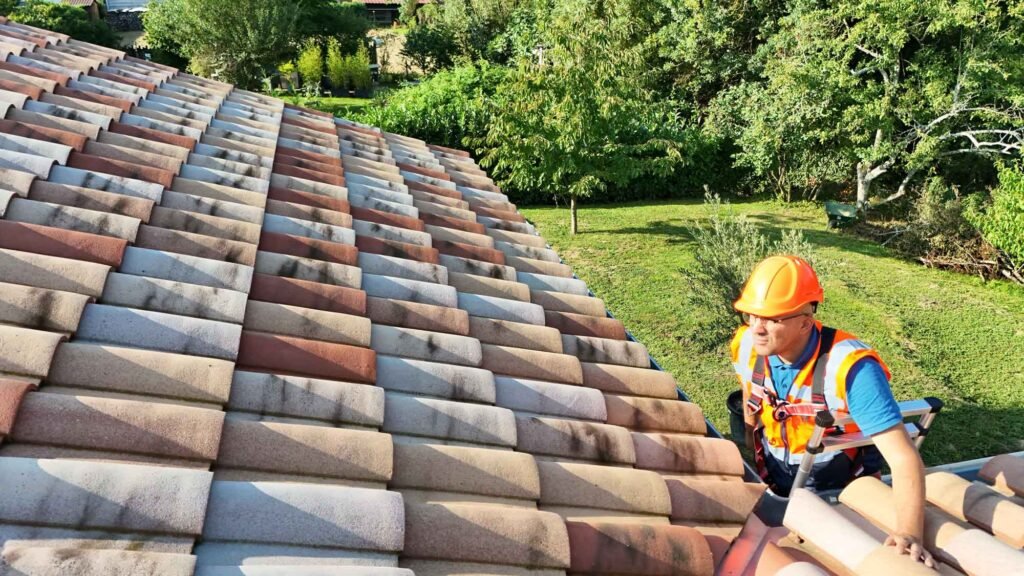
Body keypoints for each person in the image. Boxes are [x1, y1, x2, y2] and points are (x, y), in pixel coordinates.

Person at [730, 255, 934, 568]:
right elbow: (751, 394)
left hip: (833, 489)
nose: (756, 328)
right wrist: (748, 442)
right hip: (773, 472)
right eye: (751, 316)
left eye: (771, 319)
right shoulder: (747, 344)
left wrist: (909, 533)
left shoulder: (852, 370)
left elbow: (904, 458)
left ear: (805, 322)